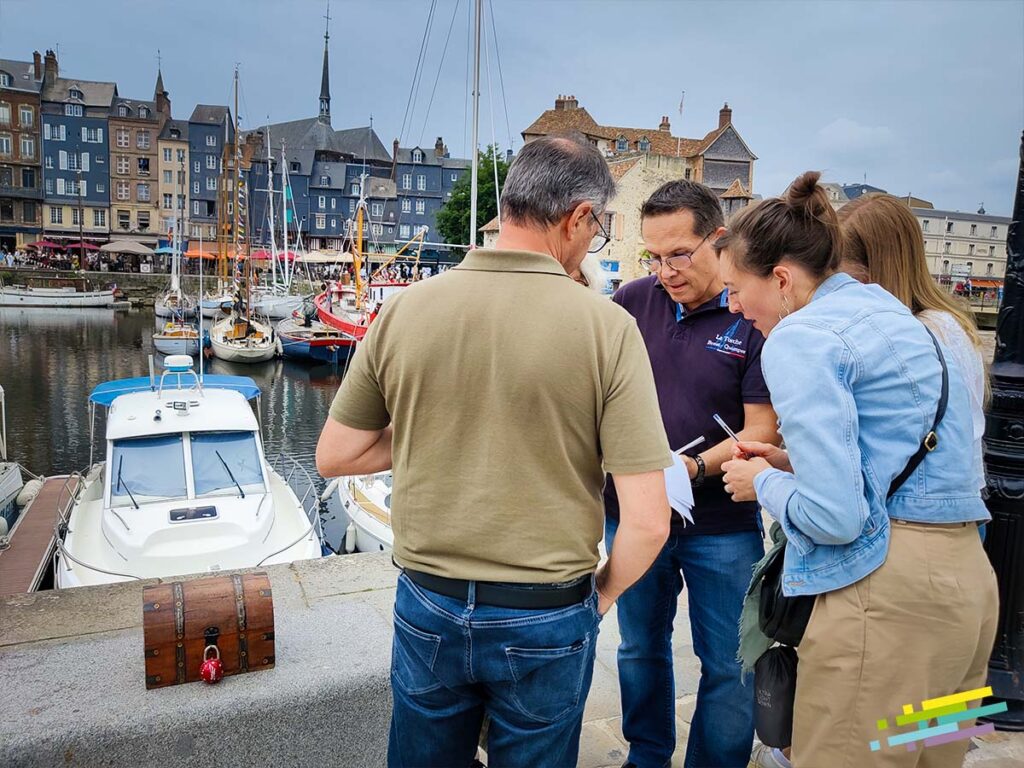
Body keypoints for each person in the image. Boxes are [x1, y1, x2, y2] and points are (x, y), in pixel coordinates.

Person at [317, 134, 673, 768]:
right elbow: (647, 523)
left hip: (429, 598)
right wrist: (603, 597)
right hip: (546, 609)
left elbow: (336, 456)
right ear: (579, 218)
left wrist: (434, 426)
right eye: (595, 230)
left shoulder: (407, 309)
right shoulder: (609, 328)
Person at [720, 172, 998, 768]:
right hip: (967, 589)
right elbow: (903, 454)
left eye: (737, 290)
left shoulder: (801, 338)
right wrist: (793, 461)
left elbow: (836, 518)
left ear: (783, 279)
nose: (735, 308)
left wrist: (761, 481)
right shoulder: (915, 323)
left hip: (886, 598)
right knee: (931, 756)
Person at [604, 180, 779, 768]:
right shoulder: (630, 302)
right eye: (653, 256)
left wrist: (696, 466)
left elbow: (762, 432)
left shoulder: (747, 312)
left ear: (718, 240)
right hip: (633, 513)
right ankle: (646, 757)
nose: (665, 271)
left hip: (723, 524)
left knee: (731, 663)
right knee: (639, 648)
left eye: (679, 253)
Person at [837, 193, 988, 495]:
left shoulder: (925, 332)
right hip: (943, 503)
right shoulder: (946, 326)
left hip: (921, 511)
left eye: (844, 277)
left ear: (873, 271)